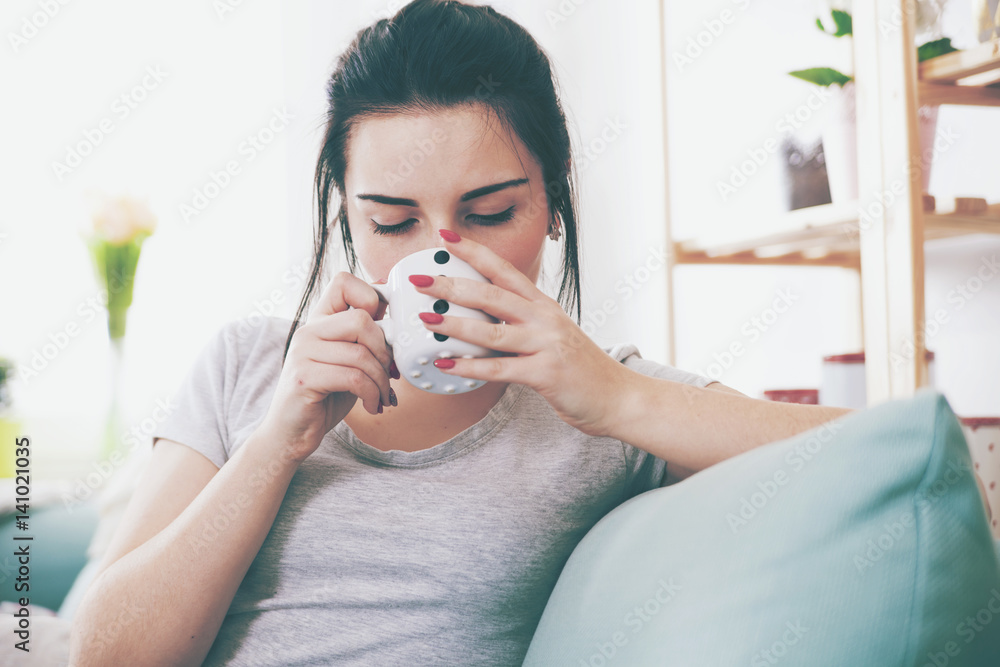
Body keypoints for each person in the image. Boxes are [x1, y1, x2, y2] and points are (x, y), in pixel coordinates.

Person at [67, 1, 856, 664]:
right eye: (391, 220)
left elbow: (878, 455)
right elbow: (100, 653)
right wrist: (276, 441)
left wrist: (617, 398)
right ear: (346, 216)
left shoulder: (600, 400)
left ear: (552, 206)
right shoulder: (249, 363)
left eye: (488, 214)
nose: (436, 255)